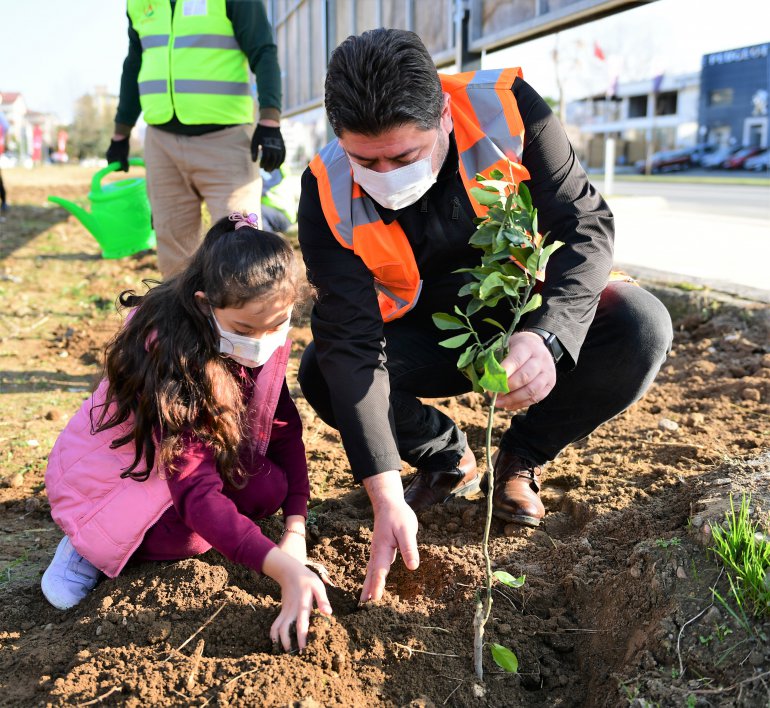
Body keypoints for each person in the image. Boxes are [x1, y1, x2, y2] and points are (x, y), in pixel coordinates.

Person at [296, 29, 673, 603]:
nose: (386, 174)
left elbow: (584, 224)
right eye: (365, 159)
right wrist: (385, 491)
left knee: (640, 326)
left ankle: (521, 459)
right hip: (427, 334)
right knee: (323, 368)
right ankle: (447, 458)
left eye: (404, 155)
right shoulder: (324, 189)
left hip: (525, 310)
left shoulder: (508, 112)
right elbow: (349, 341)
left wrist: (548, 337)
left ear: (444, 115)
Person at [42, 214, 331, 651]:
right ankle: (86, 545)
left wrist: (295, 530)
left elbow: (285, 429)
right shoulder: (174, 359)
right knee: (189, 535)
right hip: (115, 479)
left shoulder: (264, 329)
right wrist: (283, 569)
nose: (262, 341)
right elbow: (195, 489)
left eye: (277, 325)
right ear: (203, 304)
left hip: (186, 458)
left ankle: (193, 530)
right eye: (245, 330)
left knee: (269, 489)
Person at [107, 0, 287, 277]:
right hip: (161, 142)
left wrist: (270, 121)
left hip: (225, 141)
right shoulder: (139, 3)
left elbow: (262, 50)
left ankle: (245, 320)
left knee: (241, 247)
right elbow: (134, 63)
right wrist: (121, 133)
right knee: (174, 250)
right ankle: (182, 319)